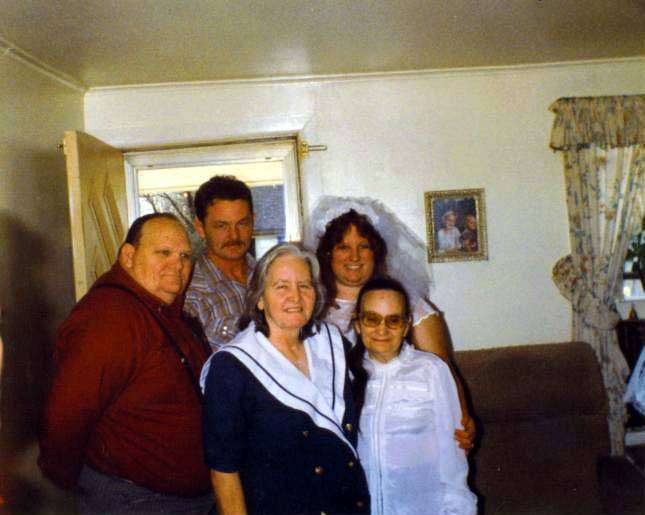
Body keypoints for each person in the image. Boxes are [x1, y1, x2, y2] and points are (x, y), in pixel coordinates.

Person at [39, 213, 212, 514]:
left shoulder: (162, 310)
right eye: (164, 253)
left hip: (180, 499)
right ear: (128, 256)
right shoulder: (110, 318)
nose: (178, 264)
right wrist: (75, 483)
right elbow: (66, 416)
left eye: (185, 256)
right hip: (137, 500)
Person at [201, 243, 370, 515]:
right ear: (260, 298)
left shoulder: (333, 343)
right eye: (282, 287)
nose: (296, 296)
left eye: (304, 285)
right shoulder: (231, 366)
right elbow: (224, 470)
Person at [304, 196, 475, 450]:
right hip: (333, 433)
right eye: (343, 247)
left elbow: (442, 370)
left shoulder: (410, 304)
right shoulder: (311, 307)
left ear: (376, 252)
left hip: (399, 432)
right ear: (328, 253)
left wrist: (462, 419)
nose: (354, 256)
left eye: (363, 246)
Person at [349, 276, 477, 515]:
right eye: (372, 319)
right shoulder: (344, 375)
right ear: (358, 324)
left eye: (393, 320)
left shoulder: (431, 370)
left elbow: (453, 459)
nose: (382, 330)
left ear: (407, 326)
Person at [185, 175, 256, 351]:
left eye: (242, 223)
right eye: (222, 226)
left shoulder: (271, 277)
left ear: (253, 221)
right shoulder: (191, 298)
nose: (234, 235)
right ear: (200, 228)